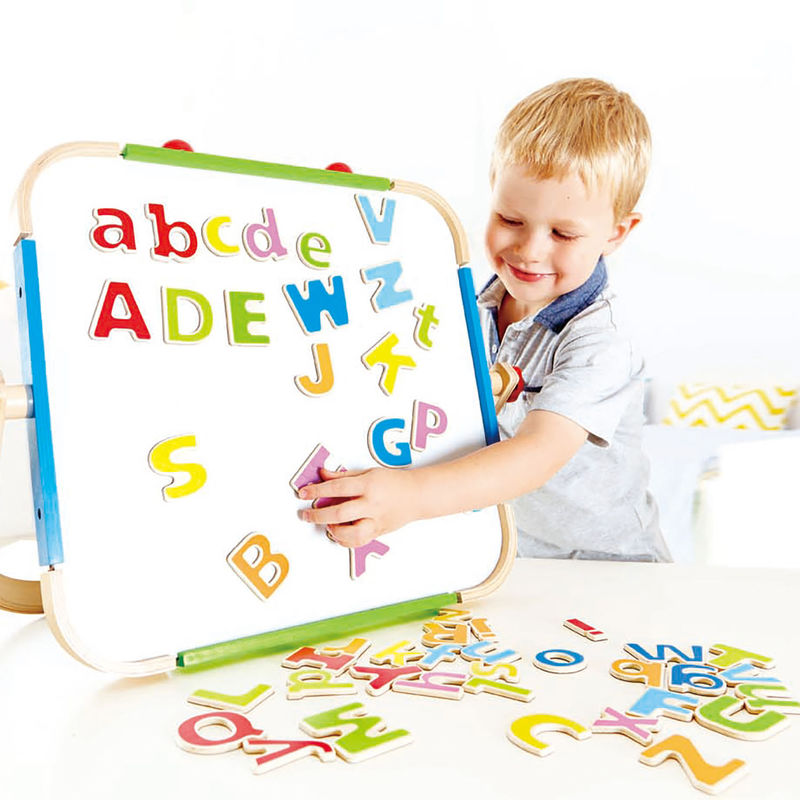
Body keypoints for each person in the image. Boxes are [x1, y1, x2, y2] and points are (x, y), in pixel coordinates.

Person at [299, 77, 670, 562]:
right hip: (507, 559)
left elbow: (535, 455)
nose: (530, 251)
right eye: (511, 220)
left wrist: (410, 496)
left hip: (609, 567)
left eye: (563, 233)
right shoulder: (468, 309)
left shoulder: (601, 342)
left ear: (617, 233)